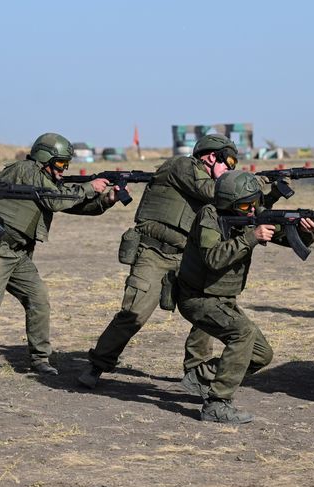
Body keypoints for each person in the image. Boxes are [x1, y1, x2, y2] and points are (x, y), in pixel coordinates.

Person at [0, 133, 122, 377]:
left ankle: (39, 358)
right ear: (45, 158)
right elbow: (55, 201)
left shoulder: (44, 179)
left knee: (38, 300)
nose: (63, 170)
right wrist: (90, 186)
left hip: (18, 254)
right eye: (60, 164)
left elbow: (69, 204)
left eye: (66, 165)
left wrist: (104, 201)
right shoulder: (26, 169)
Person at [78, 134, 248, 390]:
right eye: (228, 163)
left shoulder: (216, 187)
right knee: (133, 313)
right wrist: (250, 182)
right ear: (211, 156)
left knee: (206, 312)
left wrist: (269, 190)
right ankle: (97, 364)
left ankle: (195, 373)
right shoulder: (181, 166)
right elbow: (212, 191)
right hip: (154, 252)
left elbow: (240, 205)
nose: (230, 170)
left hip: (187, 257)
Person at [176, 170, 314, 423]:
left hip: (223, 300)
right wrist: (251, 237)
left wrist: (305, 230)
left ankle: (202, 376)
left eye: (254, 203)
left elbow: (288, 239)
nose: (252, 210)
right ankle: (217, 404)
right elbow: (214, 258)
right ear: (228, 204)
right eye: (245, 206)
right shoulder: (209, 217)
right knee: (242, 334)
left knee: (262, 354)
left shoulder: (251, 216)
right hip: (197, 299)